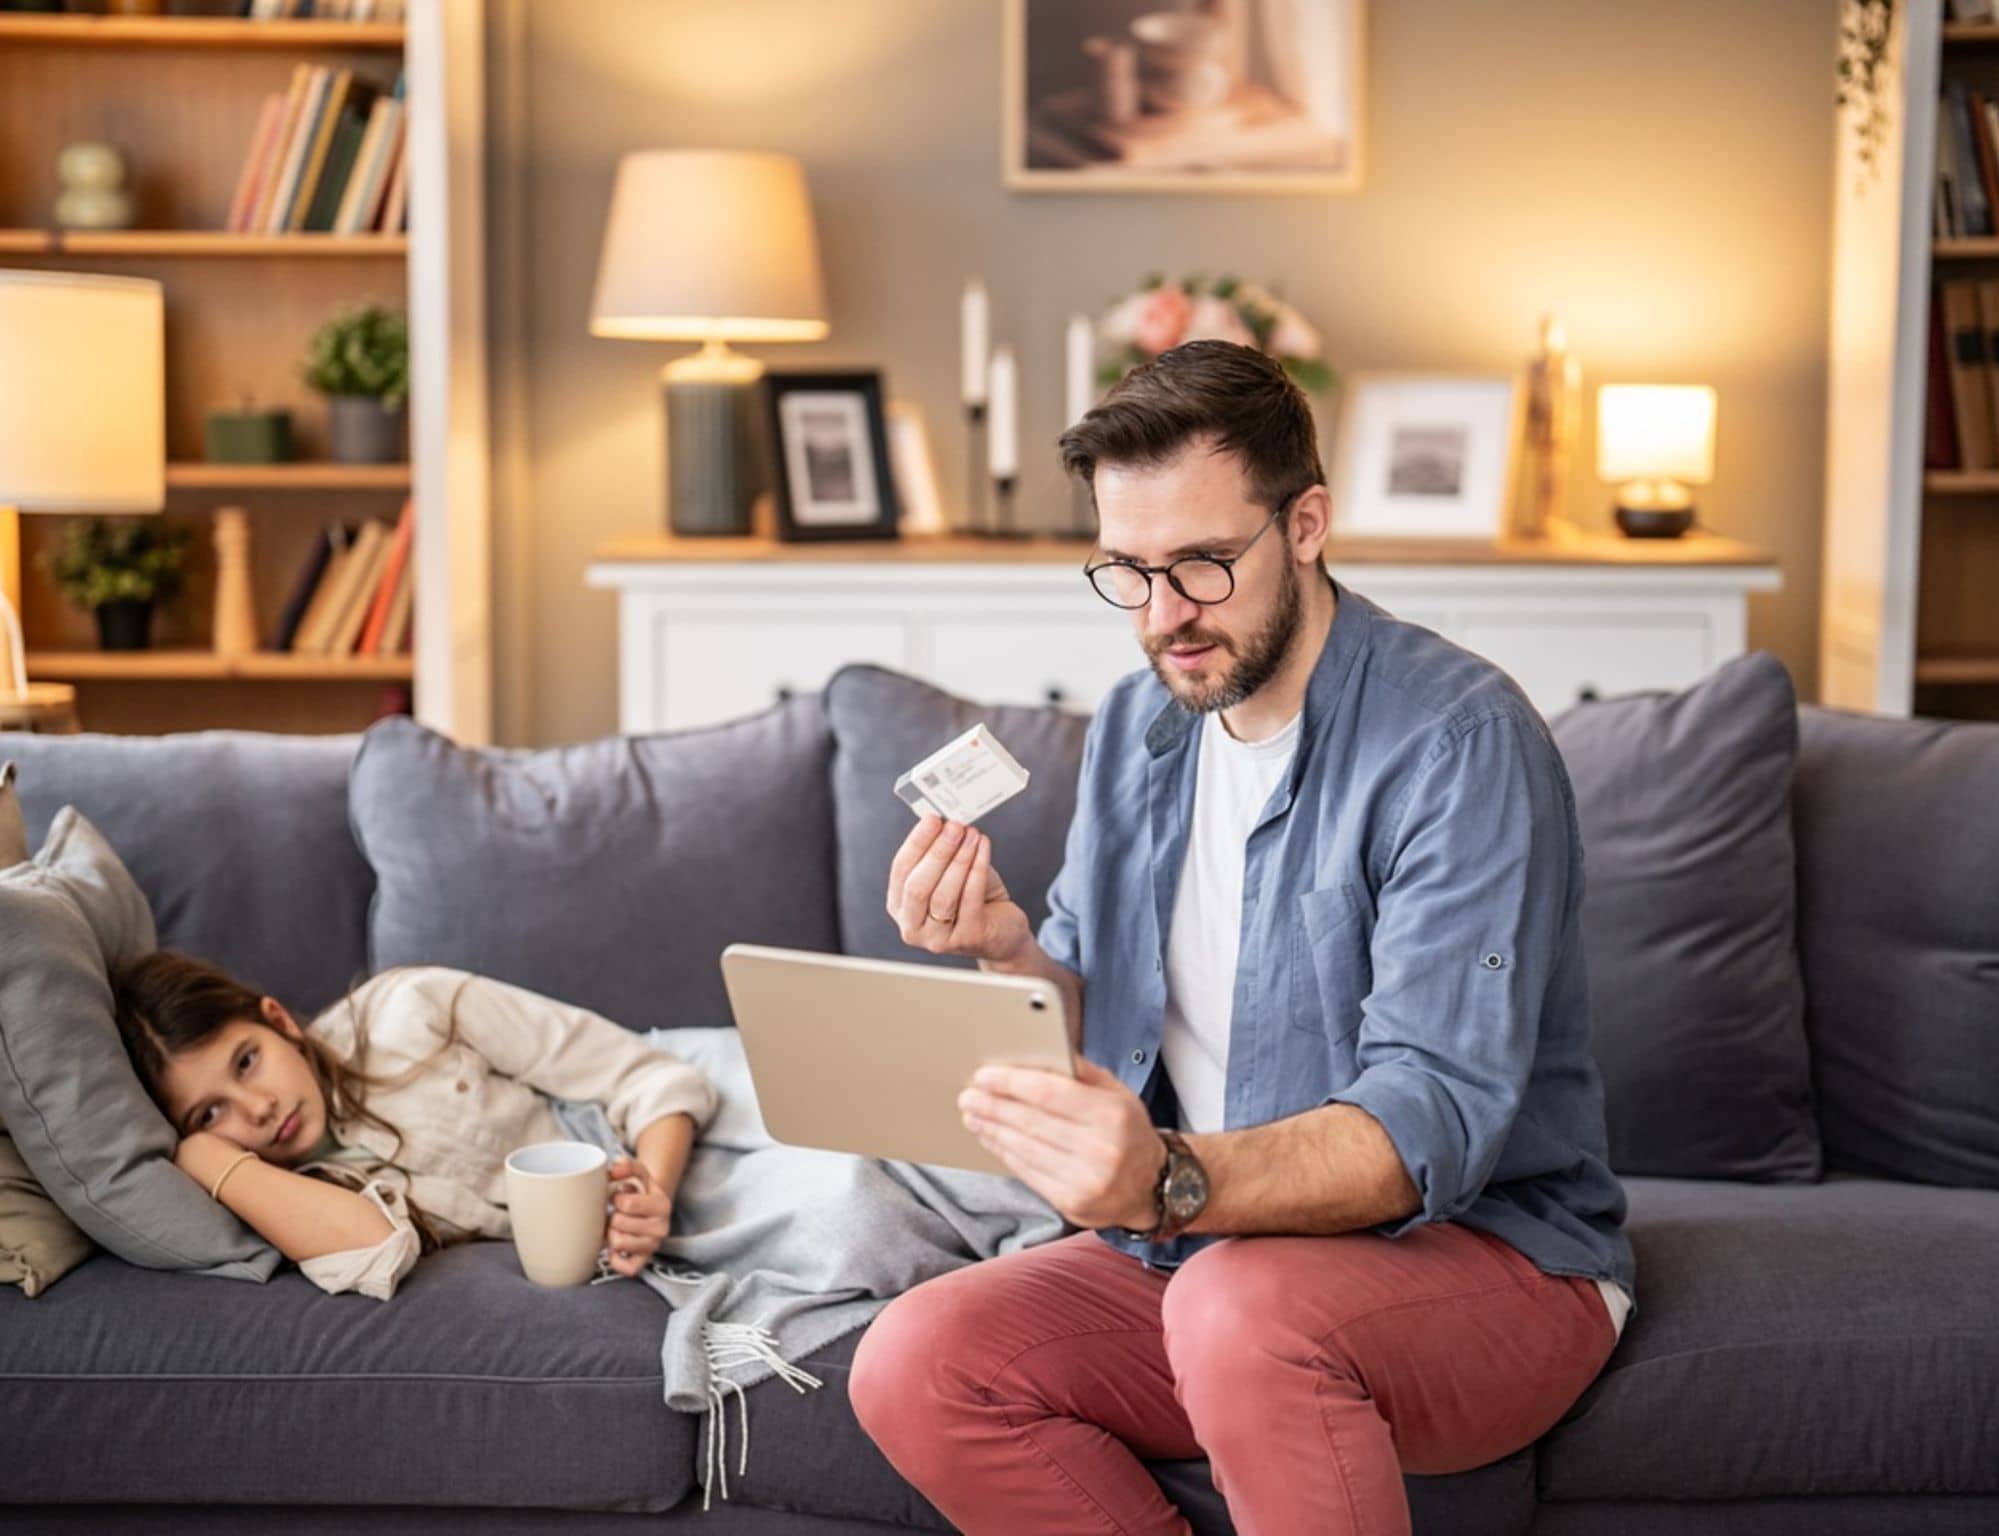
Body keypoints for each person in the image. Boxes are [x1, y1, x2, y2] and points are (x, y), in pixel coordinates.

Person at [849, 339, 1635, 1536]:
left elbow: (1427, 1121)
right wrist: (1002, 950)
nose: (1164, 617)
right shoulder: (1134, 724)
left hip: (1491, 1258)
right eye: (1126, 571)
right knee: (913, 1358)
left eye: (1203, 565)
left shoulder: (1457, 744)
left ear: (1306, 523)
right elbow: (1094, 1024)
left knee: (1237, 1308)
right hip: (1201, 1247)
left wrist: (1162, 1181)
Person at [112, 951, 713, 1299]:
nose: (259, 1109)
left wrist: (654, 1189)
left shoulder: (412, 1008)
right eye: (210, 1112)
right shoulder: (294, 1194)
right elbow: (373, 1245)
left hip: (671, 1142)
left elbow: (649, 1076)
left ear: (279, 1022)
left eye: (247, 1061)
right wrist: (207, 1160)